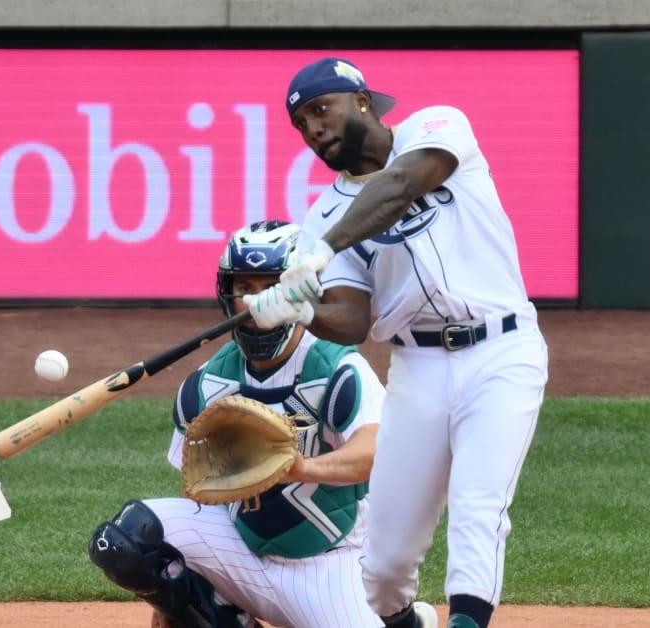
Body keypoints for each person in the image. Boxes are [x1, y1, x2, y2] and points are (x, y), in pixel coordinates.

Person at [244, 58, 549, 628]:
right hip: (418, 368)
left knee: (478, 507)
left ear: (361, 101)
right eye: (301, 123)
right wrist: (301, 310)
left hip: (502, 351)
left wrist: (323, 250)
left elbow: (400, 184)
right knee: (383, 566)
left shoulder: (436, 127)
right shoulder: (322, 217)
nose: (313, 129)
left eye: (320, 110)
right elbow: (353, 323)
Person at [89, 220, 435, 628]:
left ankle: (401, 622)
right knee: (126, 540)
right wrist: (177, 603)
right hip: (243, 548)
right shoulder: (207, 384)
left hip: (328, 564)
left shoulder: (336, 368)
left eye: (269, 287)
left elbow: (375, 450)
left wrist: (298, 468)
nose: (254, 302)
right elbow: (194, 490)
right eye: (244, 289)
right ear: (227, 294)